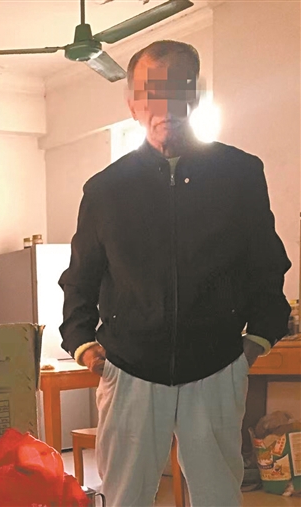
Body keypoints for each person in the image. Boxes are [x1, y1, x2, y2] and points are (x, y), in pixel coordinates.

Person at [58, 40, 291, 506]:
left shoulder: (241, 174)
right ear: (133, 103)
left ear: (196, 95)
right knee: (125, 498)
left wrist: (255, 343)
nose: (165, 104)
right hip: (129, 371)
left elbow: (266, 265)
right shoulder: (105, 189)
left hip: (217, 367)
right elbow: (80, 278)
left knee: (218, 497)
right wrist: (84, 346)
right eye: (151, 91)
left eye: (179, 87)